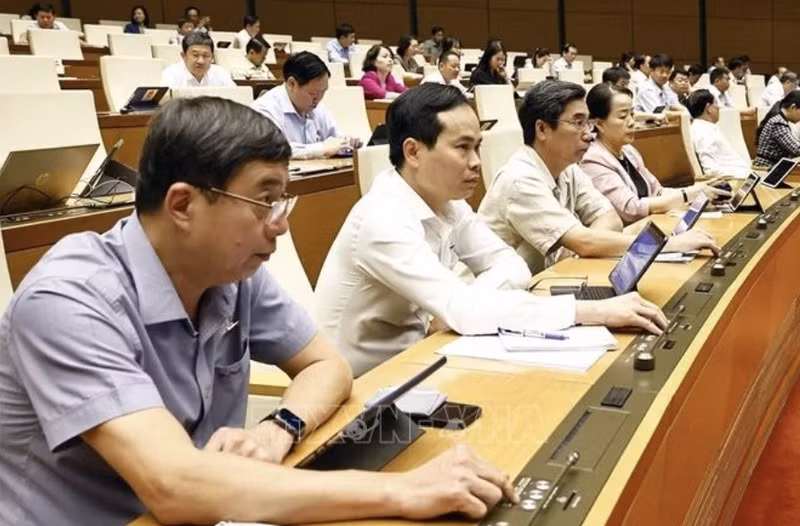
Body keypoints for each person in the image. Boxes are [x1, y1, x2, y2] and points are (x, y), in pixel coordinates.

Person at [0, 96, 520, 524]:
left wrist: (278, 429)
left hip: (219, 505)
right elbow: (175, 485)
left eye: (284, 200)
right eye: (264, 201)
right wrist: (405, 491)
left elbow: (327, 364)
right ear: (182, 205)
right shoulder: (69, 299)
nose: (281, 224)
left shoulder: (231, 273)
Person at [315, 84, 669, 377]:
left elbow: (512, 266)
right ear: (414, 151)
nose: (476, 162)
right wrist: (591, 311)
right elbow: (463, 308)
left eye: (477, 147)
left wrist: (467, 303)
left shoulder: (448, 203)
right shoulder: (383, 219)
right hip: (364, 386)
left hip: (427, 357)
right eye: (462, 148)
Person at [477, 81, 719, 274]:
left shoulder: (568, 168)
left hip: (547, 280)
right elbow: (585, 242)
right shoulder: (521, 179)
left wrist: (586, 244)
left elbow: (610, 219)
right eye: (578, 123)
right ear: (542, 129)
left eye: (587, 123)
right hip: (498, 297)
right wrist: (669, 245)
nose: (588, 134)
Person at [581, 83, 730, 224]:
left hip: (651, 225)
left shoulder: (629, 151)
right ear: (598, 124)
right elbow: (631, 209)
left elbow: (658, 192)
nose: (631, 122)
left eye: (632, 114)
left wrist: (697, 191)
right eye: (622, 116)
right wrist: (688, 194)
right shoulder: (592, 159)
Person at [252, 52, 361, 159]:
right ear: (291, 84)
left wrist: (346, 142)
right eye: (313, 93)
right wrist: (321, 149)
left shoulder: (317, 107)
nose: (318, 99)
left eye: (323, 92)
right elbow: (270, 149)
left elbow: (333, 138)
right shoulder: (265, 109)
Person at [688, 89, 752, 178]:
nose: (718, 107)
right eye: (716, 104)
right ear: (708, 108)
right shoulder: (703, 132)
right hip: (736, 178)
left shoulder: (706, 127)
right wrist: (743, 175)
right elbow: (711, 170)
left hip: (743, 174)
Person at [160, 32, 235, 88]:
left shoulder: (221, 73)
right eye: (195, 55)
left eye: (205, 56)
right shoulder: (171, 74)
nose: (200, 61)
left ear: (212, 57)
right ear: (183, 56)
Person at [754, 91, 800, 168]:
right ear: (793, 107)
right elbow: (796, 149)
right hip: (766, 167)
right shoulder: (778, 122)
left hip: (774, 166)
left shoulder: (779, 119)